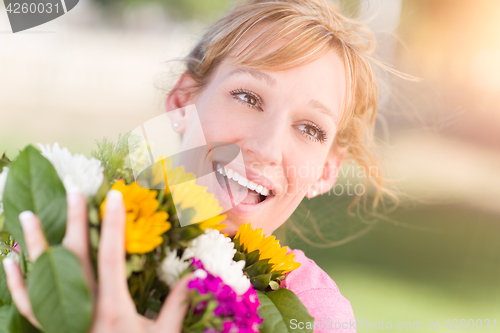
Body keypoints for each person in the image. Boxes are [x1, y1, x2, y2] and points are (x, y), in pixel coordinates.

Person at [3, 0, 402, 332]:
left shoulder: (316, 314)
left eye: (310, 129)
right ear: (183, 101)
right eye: (247, 97)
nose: (265, 149)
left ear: (327, 171)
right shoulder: (67, 235)